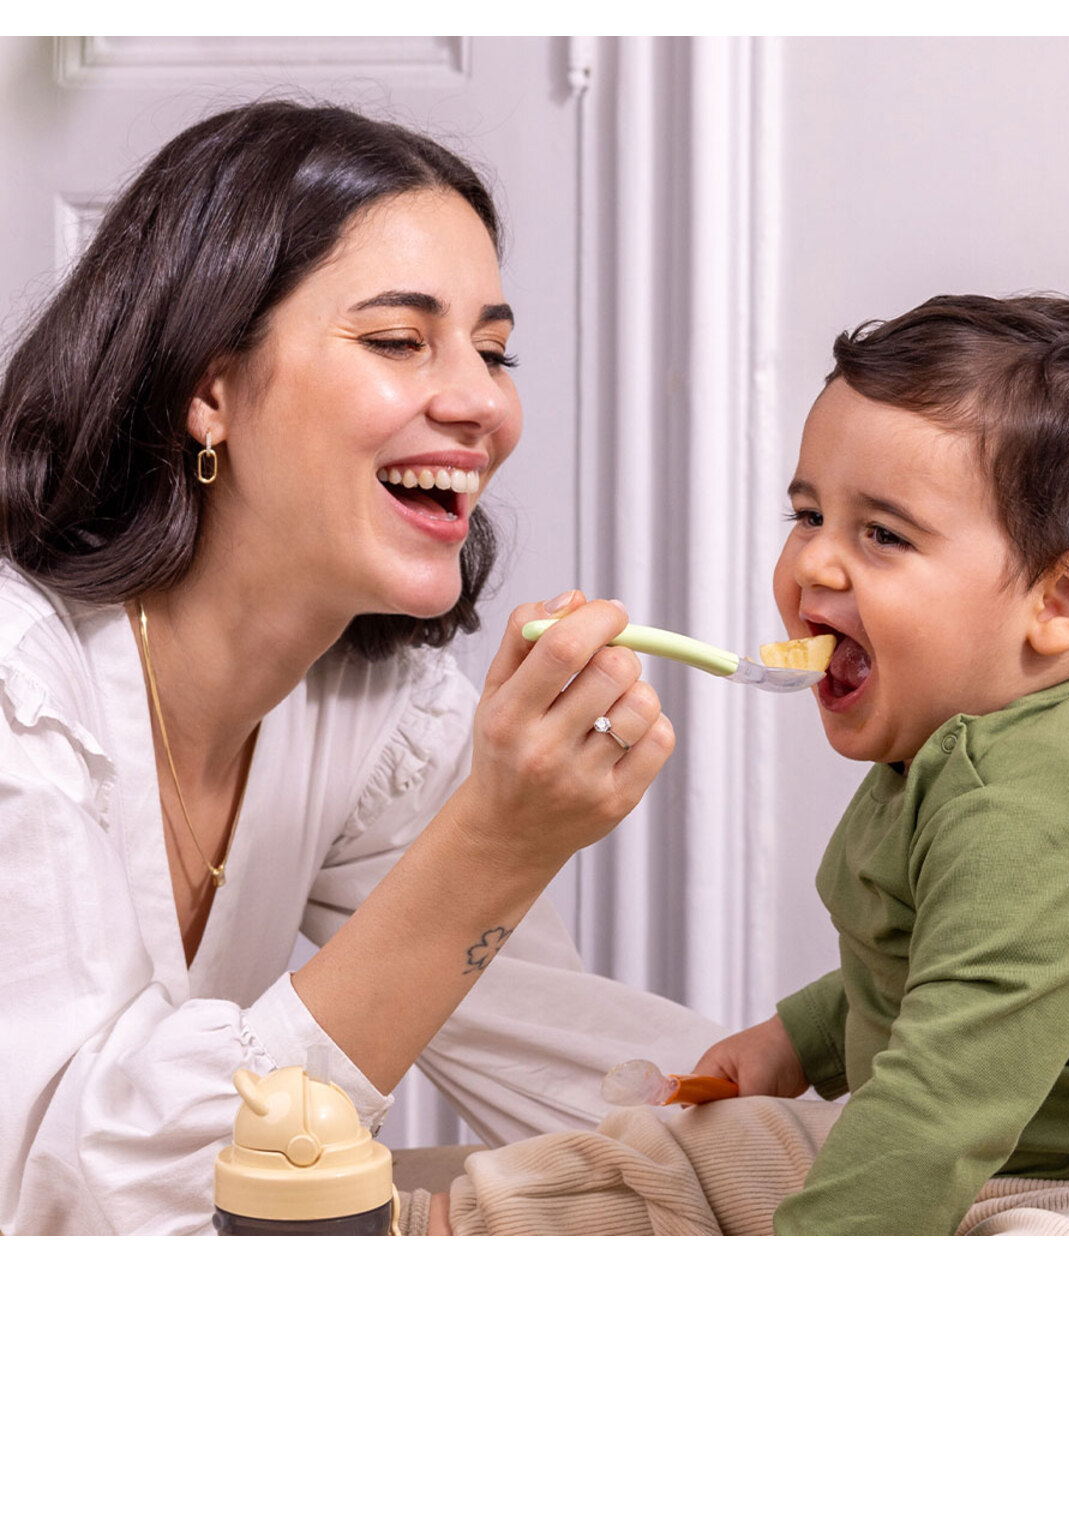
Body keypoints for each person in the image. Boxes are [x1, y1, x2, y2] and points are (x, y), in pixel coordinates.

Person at [0, 99, 726, 1236]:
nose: (483, 401)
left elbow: (582, 1078)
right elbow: (59, 1206)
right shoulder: (19, 691)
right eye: (398, 340)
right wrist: (493, 845)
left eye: (493, 351)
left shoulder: (368, 713)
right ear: (210, 388)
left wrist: (932, 1095)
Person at [404, 293, 1069, 1236]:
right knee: (700, 1150)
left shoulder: (1036, 811)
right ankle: (442, 1233)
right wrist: (800, 1039)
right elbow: (932, 975)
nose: (814, 565)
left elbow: (941, 1103)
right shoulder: (946, 755)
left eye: (884, 535)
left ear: (1062, 598)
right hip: (980, 1142)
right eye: (809, 513)